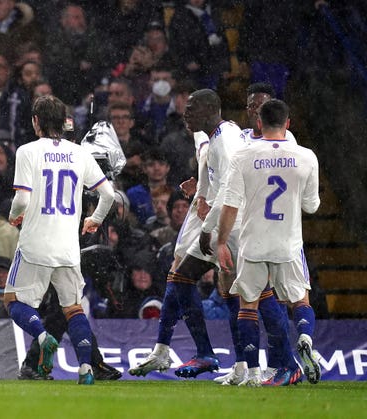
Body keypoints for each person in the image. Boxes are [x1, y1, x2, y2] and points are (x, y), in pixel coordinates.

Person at [129, 89, 243, 379]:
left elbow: (233, 183)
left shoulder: (227, 139)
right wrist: (202, 189)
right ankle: (173, 350)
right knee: (180, 274)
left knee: (248, 295)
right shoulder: (207, 134)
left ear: (209, 109)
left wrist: (210, 222)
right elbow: (210, 166)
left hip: (228, 220)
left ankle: (253, 363)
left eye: (191, 109)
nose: (185, 114)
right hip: (209, 211)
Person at [3, 95, 115, 385]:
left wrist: (14, 216)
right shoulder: (80, 154)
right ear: (65, 122)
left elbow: (22, 198)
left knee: (13, 300)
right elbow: (109, 195)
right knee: (73, 309)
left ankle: (42, 337)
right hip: (68, 246)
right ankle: (86, 369)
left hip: (35, 244)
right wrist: (95, 220)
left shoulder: (27, 151)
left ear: (36, 121)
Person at [216, 99, 321, 386]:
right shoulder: (307, 156)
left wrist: (222, 241)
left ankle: (251, 373)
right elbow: (312, 206)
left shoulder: (244, 156)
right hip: (288, 244)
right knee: (300, 299)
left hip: (253, 245)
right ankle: (304, 336)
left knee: (247, 307)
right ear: (288, 123)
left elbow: (230, 205)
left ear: (259, 123)